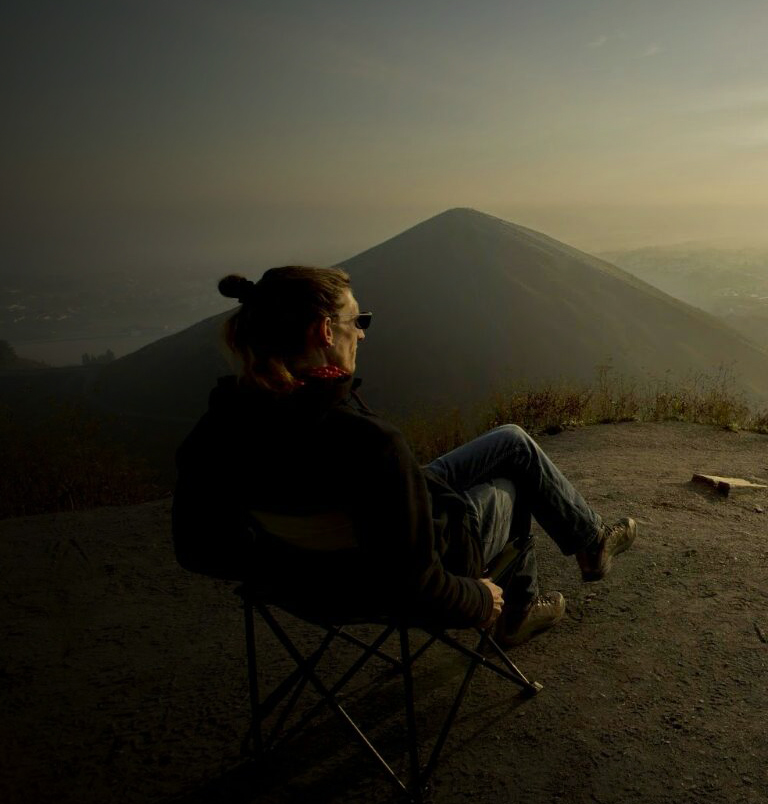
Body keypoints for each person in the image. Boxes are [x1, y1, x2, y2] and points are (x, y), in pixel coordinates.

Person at [172, 265, 636, 648]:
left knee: (512, 440)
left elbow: (196, 548)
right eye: (359, 322)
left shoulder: (217, 430)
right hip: (395, 572)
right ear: (323, 331)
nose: (363, 335)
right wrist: (476, 600)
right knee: (515, 487)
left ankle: (590, 538)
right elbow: (412, 583)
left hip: (310, 582)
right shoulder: (368, 443)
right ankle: (517, 612)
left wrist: (288, 567)